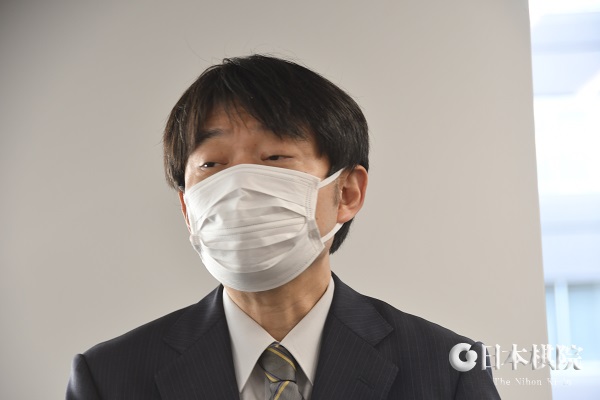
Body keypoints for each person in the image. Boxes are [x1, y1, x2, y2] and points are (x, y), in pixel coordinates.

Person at [66, 55, 500, 399]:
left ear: (347, 192)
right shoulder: (109, 378)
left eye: (274, 158)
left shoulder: (447, 369)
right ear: (187, 208)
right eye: (212, 165)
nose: (239, 188)